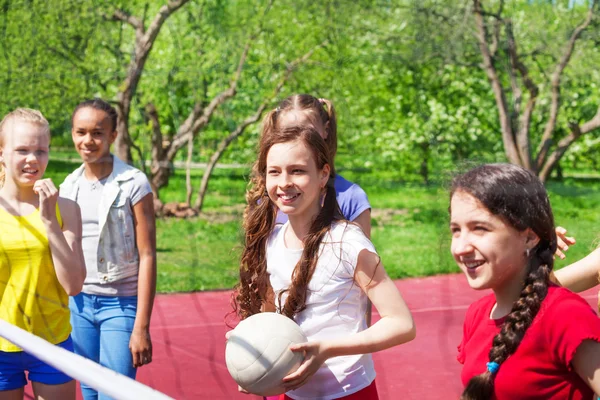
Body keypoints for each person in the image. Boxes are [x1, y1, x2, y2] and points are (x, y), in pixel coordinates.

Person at [233, 125, 415, 399]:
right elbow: (272, 318)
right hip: (293, 392)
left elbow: (402, 324)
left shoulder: (346, 242)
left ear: (323, 175)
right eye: (274, 171)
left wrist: (327, 349)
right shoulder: (271, 241)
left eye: (297, 171)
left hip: (349, 391)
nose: (284, 182)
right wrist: (249, 348)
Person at [450, 163, 600, 399]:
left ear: (529, 237)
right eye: (456, 230)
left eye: (480, 229)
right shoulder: (477, 314)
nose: (461, 247)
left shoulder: (566, 316)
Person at [60, 99, 156, 400]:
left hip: (121, 304)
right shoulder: (68, 185)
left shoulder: (133, 183)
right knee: (88, 390)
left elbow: (148, 255)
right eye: (81, 132)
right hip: (78, 305)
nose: (88, 141)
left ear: (113, 135)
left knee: (114, 393)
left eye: (98, 133)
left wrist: (141, 325)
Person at [0, 108, 86, 399]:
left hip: (53, 341)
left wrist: (49, 220)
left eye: (41, 150)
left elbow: (73, 285)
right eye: (22, 150)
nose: (32, 159)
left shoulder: (67, 209)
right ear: (2, 153)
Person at [257, 94, 371, 238]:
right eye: (288, 131)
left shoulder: (351, 197)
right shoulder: (270, 196)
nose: (298, 138)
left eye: (307, 131)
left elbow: (363, 257)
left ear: (326, 130)